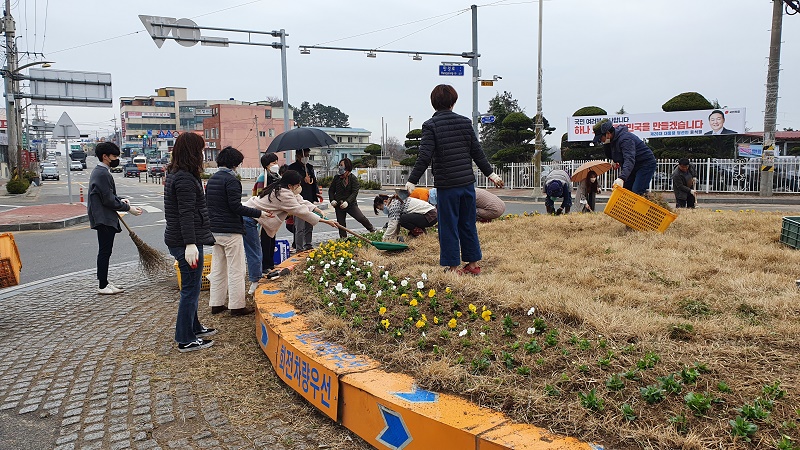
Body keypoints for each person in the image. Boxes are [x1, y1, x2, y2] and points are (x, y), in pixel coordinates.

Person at [406, 84, 504, 275]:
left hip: (447, 186)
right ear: (453, 101)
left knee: (448, 226)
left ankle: (452, 267)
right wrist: (491, 174)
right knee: (468, 224)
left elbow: (424, 156)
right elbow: (477, 152)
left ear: (433, 103)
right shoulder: (465, 122)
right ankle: (473, 265)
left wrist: (412, 181)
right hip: (467, 185)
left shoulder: (430, 125)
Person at [164, 132, 217, 353]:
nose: (203, 154)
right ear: (192, 152)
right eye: (201, 150)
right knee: (190, 290)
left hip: (184, 238)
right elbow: (185, 213)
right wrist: (190, 244)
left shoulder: (179, 173)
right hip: (186, 241)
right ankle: (185, 338)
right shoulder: (184, 178)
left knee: (192, 288)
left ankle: (194, 327)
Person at [205, 147, 262, 316]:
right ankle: (237, 306)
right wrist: (259, 213)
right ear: (235, 163)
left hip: (214, 230)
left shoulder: (212, 180)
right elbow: (235, 207)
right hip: (230, 231)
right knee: (236, 269)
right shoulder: (232, 181)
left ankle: (216, 303)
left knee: (218, 268)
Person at [87, 142, 143, 295]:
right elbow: (108, 200)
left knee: (105, 251)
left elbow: (108, 196)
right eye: (114, 156)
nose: (116, 159)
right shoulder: (102, 174)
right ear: (105, 156)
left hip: (103, 216)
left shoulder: (100, 172)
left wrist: (120, 200)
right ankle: (102, 285)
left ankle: (104, 281)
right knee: (105, 251)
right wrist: (128, 209)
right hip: (103, 217)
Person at [244, 170, 337, 247]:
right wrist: (326, 221)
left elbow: (301, 201)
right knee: (255, 253)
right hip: (249, 217)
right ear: (290, 186)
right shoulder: (283, 194)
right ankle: (262, 265)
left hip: (254, 216)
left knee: (262, 250)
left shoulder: (284, 189)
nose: (299, 187)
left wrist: (318, 210)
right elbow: (302, 212)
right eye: (297, 185)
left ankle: (266, 264)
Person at [243, 153, 281, 288]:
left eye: (276, 162)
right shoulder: (262, 178)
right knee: (265, 239)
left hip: (272, 213)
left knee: (272, 237)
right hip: (263, 213)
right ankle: (265, 266)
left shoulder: (277, 177)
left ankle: (270, 263)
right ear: (266, 165)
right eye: (273, 163)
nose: (276, 164)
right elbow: (260, 195)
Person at [594, 120, 657, 196]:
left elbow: (629, 159)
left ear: (608, 133)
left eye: (600, 138)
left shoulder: (625, 139)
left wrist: (622, 178)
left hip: (645, 164)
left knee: (636, 192)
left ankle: (647, 199)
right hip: (633, 166)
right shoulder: (612, 140)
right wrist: (614, 158)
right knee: (624, 191)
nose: (600, 140)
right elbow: (611, 154)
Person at [329, 158, 376, 238]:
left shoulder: (353, 178)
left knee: (360, 218)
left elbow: (354, 192)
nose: (340, 167)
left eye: (342, 165)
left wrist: (347, 202)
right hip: (338, 205)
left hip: (351, 204)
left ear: (347, 167)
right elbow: (331, 190)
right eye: (339, 165)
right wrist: (332, 200)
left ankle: (372, 230)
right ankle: (343, 239)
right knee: (341, 224)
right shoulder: (337, 178)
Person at [287, 149, 319, 251]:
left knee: (309, 223)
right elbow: (291, 183)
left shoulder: (309, 167)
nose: (306, 157)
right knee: (299, 226)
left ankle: (308, 244)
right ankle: (298, 247)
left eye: (308, 155)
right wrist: (302, 180)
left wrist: (315, 191)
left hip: (309, 198)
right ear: (298, 156)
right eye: (304, 155)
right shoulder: (292, 168)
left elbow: (314, 181)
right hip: (298, 199)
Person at [373, 193, 437, 240]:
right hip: (431, 215)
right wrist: (393, 237)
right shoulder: (395, 200)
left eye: (381, 208)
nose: (383, 211)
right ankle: (420, 234)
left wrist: (384, 239)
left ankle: (421, 234)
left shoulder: (393, 205)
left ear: (385, 202)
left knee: (403, 219)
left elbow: (393, 224)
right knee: (403, 219)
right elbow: (396, 224)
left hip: (430, 216)